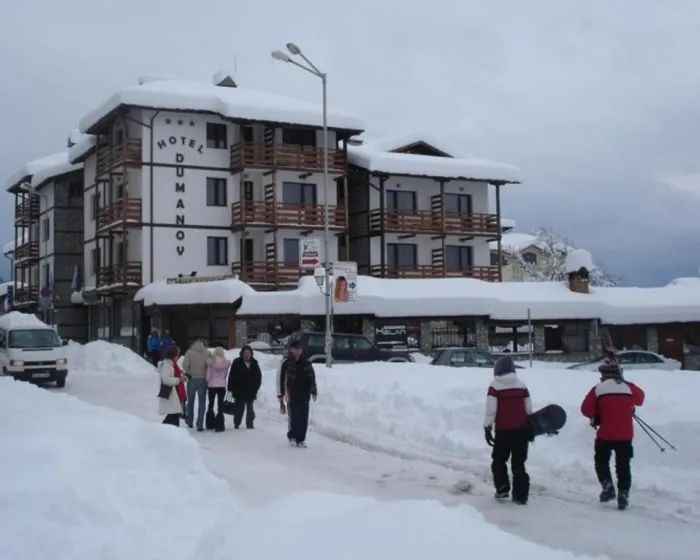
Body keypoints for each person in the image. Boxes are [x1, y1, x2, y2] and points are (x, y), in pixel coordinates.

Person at [580, 358, 645, 511]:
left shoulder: (599, 389)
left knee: (601, 460)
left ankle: (607, 486)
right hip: (626, 434)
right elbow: (640, 399)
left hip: (606, 434)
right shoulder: (628, 387)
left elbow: (585, 409)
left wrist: (597, 414)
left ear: (603, 373)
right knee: (623, 465)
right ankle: (623, 493)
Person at [483, 355, 533, 505]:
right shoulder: (522, 386)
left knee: (499, 460)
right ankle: (521, 496)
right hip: (522, 430)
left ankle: (502, 487)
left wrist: (487, 426)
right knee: (519, 464)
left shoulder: (494, 386)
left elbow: (491, 410)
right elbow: (528, 408)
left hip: (503, 431)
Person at [277, 341, 317, 447]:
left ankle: (301, 439)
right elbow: (280, 379)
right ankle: (292, 436)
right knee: (294, 417)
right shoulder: (286, 362)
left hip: (304, 394)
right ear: (291, 350)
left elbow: (311, 377)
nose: (297, 352)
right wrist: (280, 394)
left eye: (299, 350)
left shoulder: (306, 363)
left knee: (304, 418)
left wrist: (314, 391)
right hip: (291, 394)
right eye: (295, 350)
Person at [228, 345, 263, 429]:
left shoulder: (254, 363)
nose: (247, 355)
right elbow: (232, 375)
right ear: (242, 354)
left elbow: (258, 376)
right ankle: (237, 424)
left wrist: (256, 388)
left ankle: (250, 425)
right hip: (239, 390)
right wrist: (230, 388)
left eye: (248, 353)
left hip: (251, 390)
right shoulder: (236, 362)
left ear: (251, 354)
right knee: (240, 409)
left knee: (250, 409)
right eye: (245, 353)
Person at [182, 339, 212, 431]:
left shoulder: (189, 352)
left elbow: (185, 365)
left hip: (191, 379)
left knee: (190, 401)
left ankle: (190, 421)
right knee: (202, 402)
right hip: (202, 379)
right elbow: (210, 365)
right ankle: (200, 424)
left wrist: (188, 370)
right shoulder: (207, 352)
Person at [157, 345, 185, 426]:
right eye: (177, 354)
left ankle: (172, 432)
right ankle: (167, 431)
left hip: (176, 391)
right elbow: (166, 380)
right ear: (173, 355)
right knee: (174, 414)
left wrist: (182, 377)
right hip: (171, 392)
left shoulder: (173, 364)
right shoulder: (166, 365)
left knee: (175, 414)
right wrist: (178, 380)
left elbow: (176, 374)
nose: (178, 356)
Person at [205, 347, 231, 432]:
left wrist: (208, 381)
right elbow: (225, 375)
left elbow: (208, 375)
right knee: (220, 405)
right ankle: (219, 425)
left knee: (211, 404)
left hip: (212, 385)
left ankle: (210, 424)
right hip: (221, 385)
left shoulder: (210, 362)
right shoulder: (226, 362)